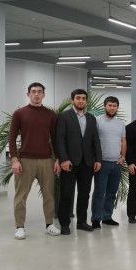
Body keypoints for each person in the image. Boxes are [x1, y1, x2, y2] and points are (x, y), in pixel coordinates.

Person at [8, 82, 61, 239]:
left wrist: (57, 159)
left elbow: (55, 139)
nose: (36, 94)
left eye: (39, 91)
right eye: (33, 91)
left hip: (46, 161)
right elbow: (11, 138)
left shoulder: (51, 115)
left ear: (43, 95)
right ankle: (19, 227)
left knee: (49, 195)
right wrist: (14, 160)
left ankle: (49, 224)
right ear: (28, 94)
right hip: (25, 161)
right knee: (21, 196)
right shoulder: (19, 113)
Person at [56, 89, 102, 235]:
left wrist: (98, 159)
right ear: (72, 100)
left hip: (87, 163)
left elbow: (95, 140)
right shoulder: (64, 116)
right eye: (78, 98)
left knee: (84, 194)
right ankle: (64, 224)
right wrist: (64, 159)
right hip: (69, 163)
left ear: (86, 101)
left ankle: (82, 222)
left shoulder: (91, 118)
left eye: (83, 98)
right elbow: (60, 139)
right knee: (66, 194)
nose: (81, 100)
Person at [91, 96, 126, 228]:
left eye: (114, 106)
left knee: (112, 193)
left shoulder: (120, 123)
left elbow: (123, 141)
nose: (112, 108)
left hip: (116, 163)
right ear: (104, 106)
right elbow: (92, 141)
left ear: (117, 107)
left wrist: (123, 157)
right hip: (102, 163)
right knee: (99, 192)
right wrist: (96, 159)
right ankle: (96, 219)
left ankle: (107, 217)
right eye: (110, 105)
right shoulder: (97, 121)